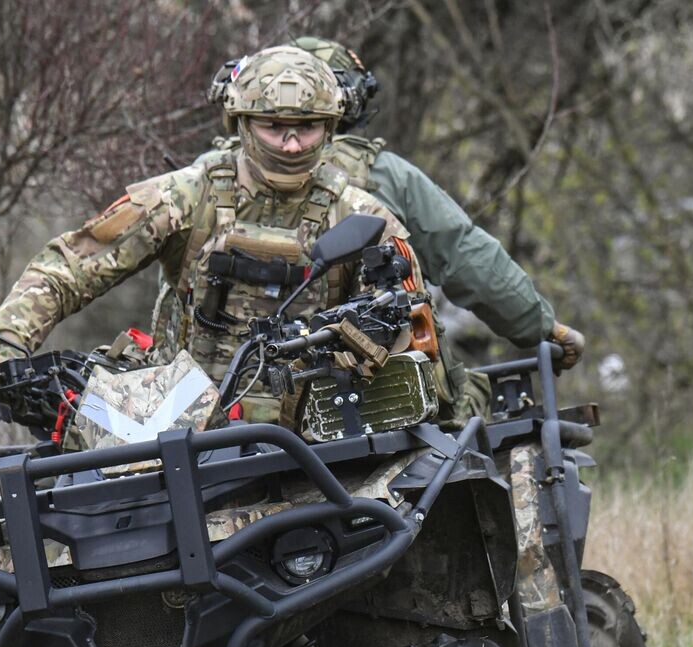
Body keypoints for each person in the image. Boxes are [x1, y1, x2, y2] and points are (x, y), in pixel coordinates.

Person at [0, 46, 430, 423]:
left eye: (306, 127)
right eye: (274, 126)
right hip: (171, 426)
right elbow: (68, 269)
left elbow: (411, 332)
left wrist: (362, 344)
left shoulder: (364, 218)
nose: (290, 143)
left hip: (315, 439)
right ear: (240, 123)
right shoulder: (185, 197)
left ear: (330, 128)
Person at [191, 36, 585, 415]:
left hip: (210, 396)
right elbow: (464, 256)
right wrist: (541, 329)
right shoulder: (382, 174)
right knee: (477, 399)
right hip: (350, 400)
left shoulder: (212, 174)